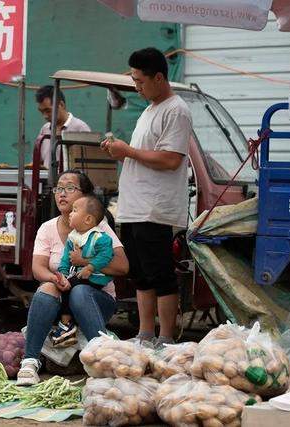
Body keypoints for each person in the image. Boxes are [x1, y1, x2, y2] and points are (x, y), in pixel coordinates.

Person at [101, 47, 192, 347]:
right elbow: (144, 156)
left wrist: (127, 151)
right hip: (135, 206)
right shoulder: (150, 109)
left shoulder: (176, 110)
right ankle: (145, 334)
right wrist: (120, 152)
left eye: (140, 81)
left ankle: (165, 338)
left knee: (160, 274)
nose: (136, 87)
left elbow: (170, 160)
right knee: (140, 274)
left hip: (155, 208)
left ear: (159, 77)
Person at [16, 170, 129, 386]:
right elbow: (38, 268)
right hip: (60, 301)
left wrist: (85, 261)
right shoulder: (47, 228)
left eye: (70, 188)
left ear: (86, 197)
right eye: (59, 188)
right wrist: (56, 278)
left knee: (80, 290)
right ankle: (29, 363)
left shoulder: (99, 228)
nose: (62, 194)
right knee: (47, 286)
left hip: (95, 301)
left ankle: (102, 359)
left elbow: (123, 266)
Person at [52, 195, 114, 348]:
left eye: (74, 210)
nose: (70, 214)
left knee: (69, 288)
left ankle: (66, 323)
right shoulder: (73, 237)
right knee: (64, 285)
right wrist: (63, 274)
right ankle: (67, 325)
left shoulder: (100, 238)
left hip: (96, 279)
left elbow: (106, 257)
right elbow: (66, 258)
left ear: (87, 220)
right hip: (79, 277)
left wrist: (90, 267)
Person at [35, 85, 91, 169]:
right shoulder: (45, 129)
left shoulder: (80, 128)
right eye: (41, 111)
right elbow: (40, 161)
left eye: (48, 110)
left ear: (61, 104)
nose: (45, 116)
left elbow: (88, 166)